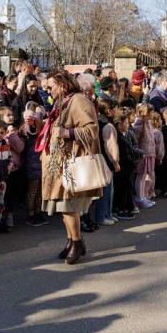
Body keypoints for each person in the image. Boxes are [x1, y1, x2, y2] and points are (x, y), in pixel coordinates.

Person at [39, 69, 101, 264]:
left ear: (63, 85)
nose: (48, 91)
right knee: (62, 205)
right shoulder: (62, 102)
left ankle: (77, 242)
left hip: (71, 163)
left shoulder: (79, 101)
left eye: (51, 87)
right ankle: (71, 241)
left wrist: (67, 133)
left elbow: (91, 129)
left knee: (67, 205)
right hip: (59, 163)